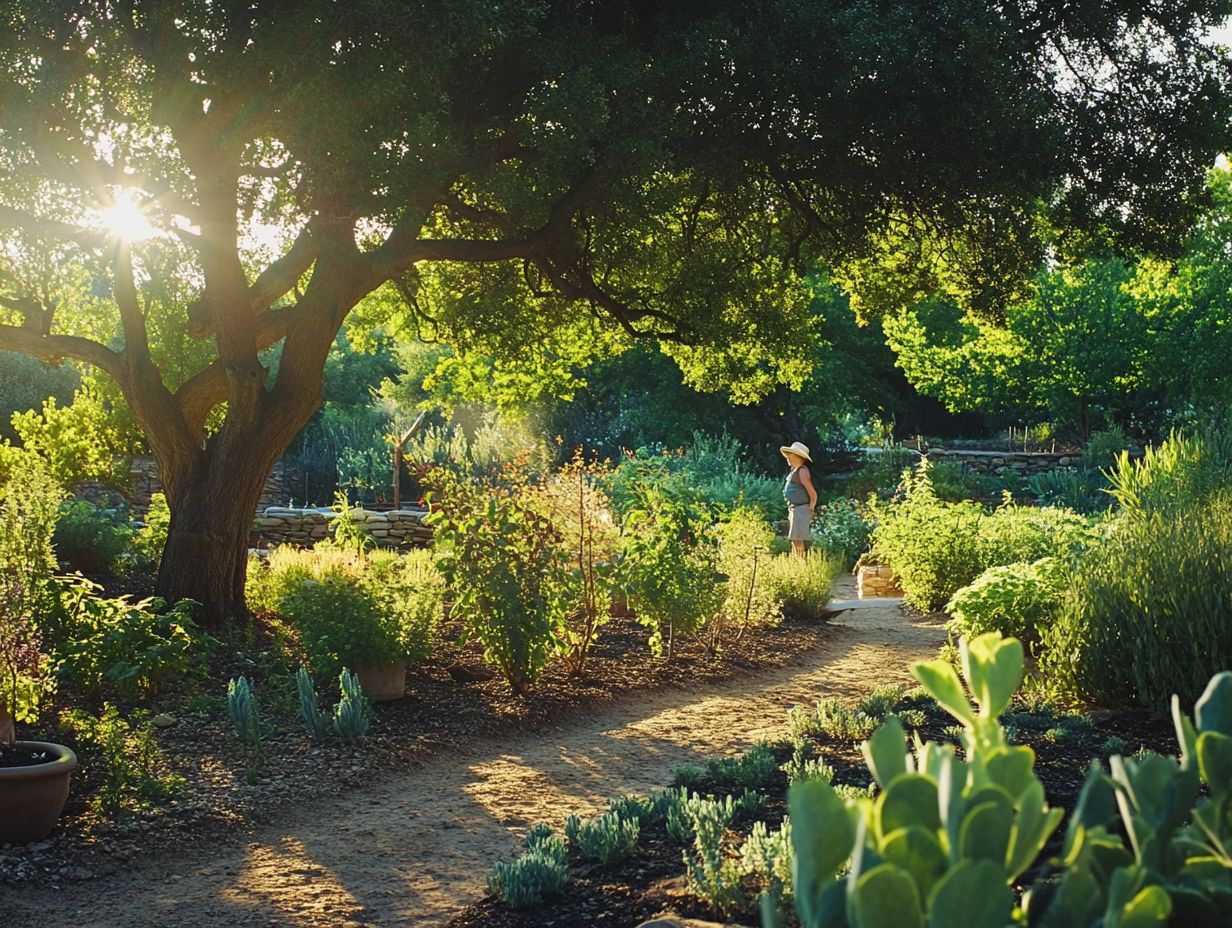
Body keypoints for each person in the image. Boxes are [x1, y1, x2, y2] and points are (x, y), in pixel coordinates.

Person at [780, 441, 817, 555]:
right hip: (795, 509)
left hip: (801, 509)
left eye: (791, 455)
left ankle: (801, 560)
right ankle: (798, 558)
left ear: (798, 457)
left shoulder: (802, 471)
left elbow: (812, 492)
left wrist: (811, 507)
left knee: (798, 538)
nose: (788, 457)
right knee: (795, 538)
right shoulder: (794, 471)